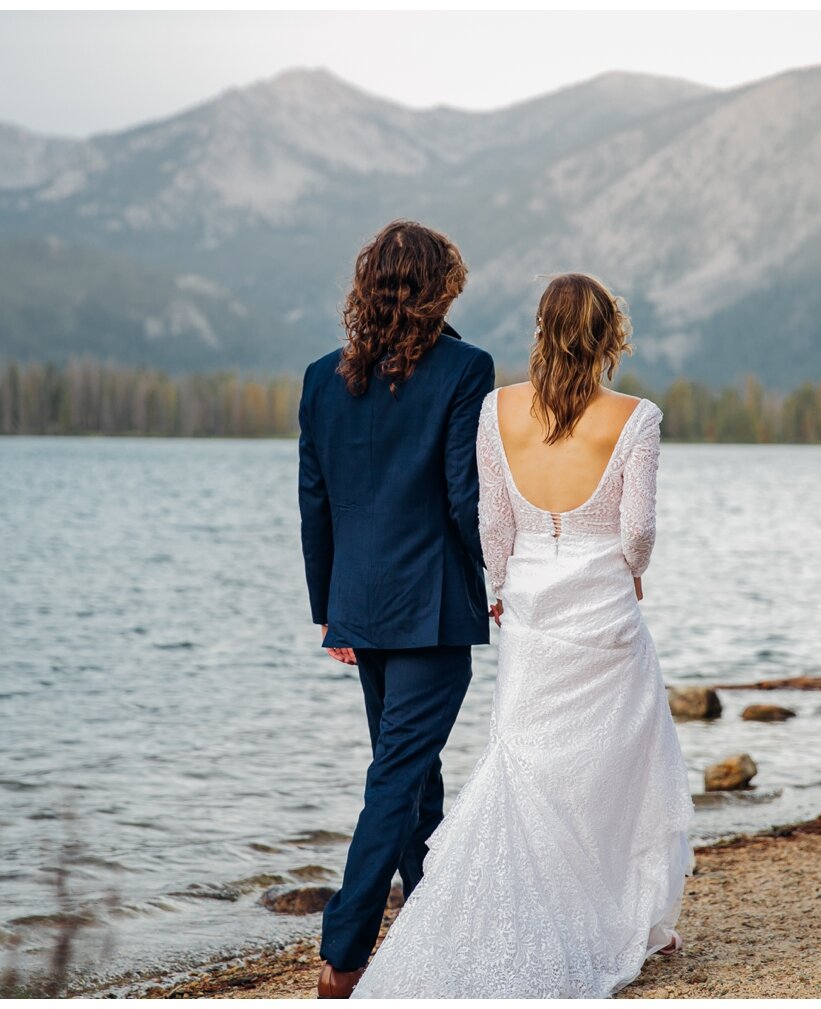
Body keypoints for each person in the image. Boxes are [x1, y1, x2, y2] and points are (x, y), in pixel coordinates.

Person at [350, 273, 694, 998]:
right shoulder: (637, 417)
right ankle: (618, 911)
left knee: (528, 758)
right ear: (609, 336)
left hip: (532, 605)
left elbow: (493, 523)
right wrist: (631, 573)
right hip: (603, 604)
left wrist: (502, 586)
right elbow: (638, 529)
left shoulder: (496, 409)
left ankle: (523, 908)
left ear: (540, 331)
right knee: (615, 761)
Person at [297, 219, 496, 998]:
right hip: (433, 608)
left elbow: (313, 505)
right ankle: (344, 954)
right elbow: (464, 497)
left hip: (362, 607)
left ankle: (432, 923)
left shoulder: (320, 377)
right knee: (399, 775)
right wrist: (509, 576)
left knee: (413, 774)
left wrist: (329, 609)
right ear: (440, 286)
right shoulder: (465, 368)